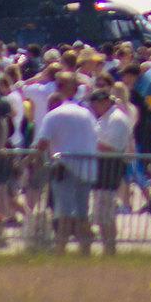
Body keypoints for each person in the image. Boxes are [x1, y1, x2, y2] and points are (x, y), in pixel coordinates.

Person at [38, 82, 100, 255]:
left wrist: (29, 160)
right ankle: (85, 250)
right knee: (82, 211)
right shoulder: (87, 113)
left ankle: (61, 250)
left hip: (64, 166)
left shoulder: (54, 115)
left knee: (64, 212)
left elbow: (42, 143)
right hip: (88, 166)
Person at [89, 87, 134, 255]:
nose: (94, 107)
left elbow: (113, 147)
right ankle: (107, 246)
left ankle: (110, 247)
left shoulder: (117, 119)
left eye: (97, 103)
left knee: (106, 210)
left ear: (106, 102)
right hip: (102, 167)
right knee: (101, 211)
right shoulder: (105, 118)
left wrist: (90, 142)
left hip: (110, 167)